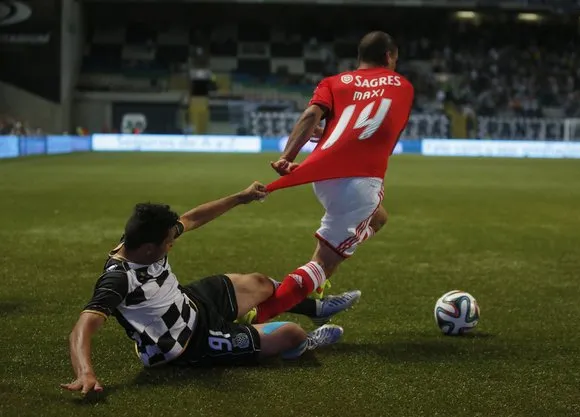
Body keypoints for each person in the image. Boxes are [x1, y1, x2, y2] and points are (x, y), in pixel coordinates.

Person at [61, 182, 360, 395]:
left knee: (258, 281)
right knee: (290, 334)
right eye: (169, 242)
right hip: (189, 343)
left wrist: (240, 198)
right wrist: (85, 372)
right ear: (151, 248)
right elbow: (82, 328)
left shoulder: (141, 242)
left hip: (188, 301)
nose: (173, 242)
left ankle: (317, 309)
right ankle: (306, 342)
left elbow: (191, 219)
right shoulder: (118, 279)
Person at [251, 31, 414, 324]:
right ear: (389, 57)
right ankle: (258, 317)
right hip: (359, 184)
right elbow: (383, 132)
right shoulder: (402, 85)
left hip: (324, 178)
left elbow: (311, 116)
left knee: (379, 218)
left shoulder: (334, 82)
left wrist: (288, 156)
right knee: (324, 261)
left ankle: (317, 283)